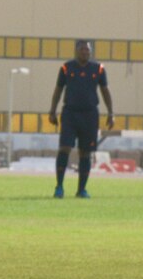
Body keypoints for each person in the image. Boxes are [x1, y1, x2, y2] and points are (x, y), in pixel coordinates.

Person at [48, 40, 113, 199]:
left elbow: (105, 91)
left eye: (88, 50)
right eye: (82, 49)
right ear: (77, 51)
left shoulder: (98, 69)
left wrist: (111, 113)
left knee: (86, 152)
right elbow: (58, 90)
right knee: (65, 148)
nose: (85, 52)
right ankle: (59, 187)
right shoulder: (66, 68)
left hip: (90, 115)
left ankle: (81, 189)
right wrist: (52, 111)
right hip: (70, 113)